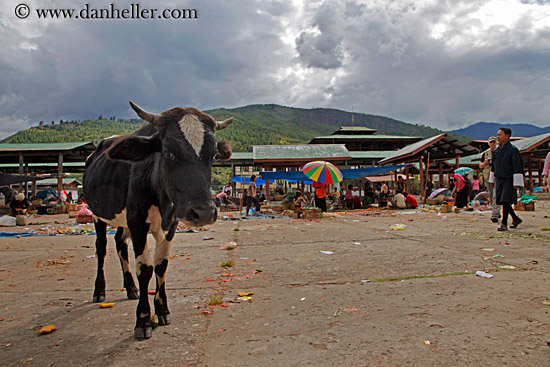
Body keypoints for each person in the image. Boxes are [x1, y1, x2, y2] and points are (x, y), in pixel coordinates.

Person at [489, 128, 524, 231]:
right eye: (497, 135)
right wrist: (492, 179)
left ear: (507, 136)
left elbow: (518, 166)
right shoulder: (496, 151)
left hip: (509, 178)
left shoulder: (513, 150)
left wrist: (517, 181)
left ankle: (504, 223)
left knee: (505, 200)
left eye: (500, 135)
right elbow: (493, 166)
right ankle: (515, 218)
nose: (498, 137)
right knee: (503, 200)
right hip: (499, 178)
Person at [480, 136, 501, 222]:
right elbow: (480, 166)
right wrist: (485, 162)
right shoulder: (485, 153)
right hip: (487, 175)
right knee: (491, 194)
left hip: (498, 175)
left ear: (496, 143)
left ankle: (495, 214)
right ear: (488, 143)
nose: (492, 143)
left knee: (496, 195)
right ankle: (495, 210)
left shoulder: (500, 151)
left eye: (494, 142)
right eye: (491, 142)